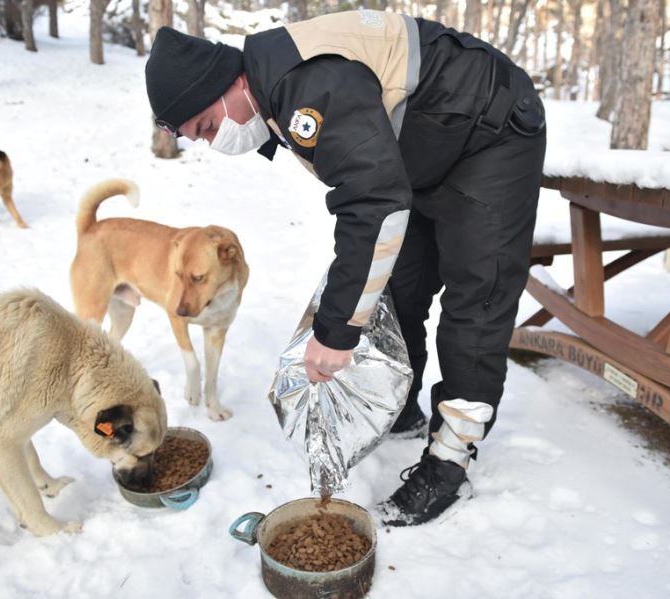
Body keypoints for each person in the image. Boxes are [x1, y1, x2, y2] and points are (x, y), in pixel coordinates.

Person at [144, 9, 546, 526]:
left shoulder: (308, 84)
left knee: (477, 296)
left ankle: (451, 458)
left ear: (232, 82)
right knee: (400, 285)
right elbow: (375, 195)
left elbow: (372, 203)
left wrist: (336, 332)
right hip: (423, 147)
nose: (209, 141)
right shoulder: (273, 90)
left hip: (492, 128)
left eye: (207, 126)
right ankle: (403, 405)